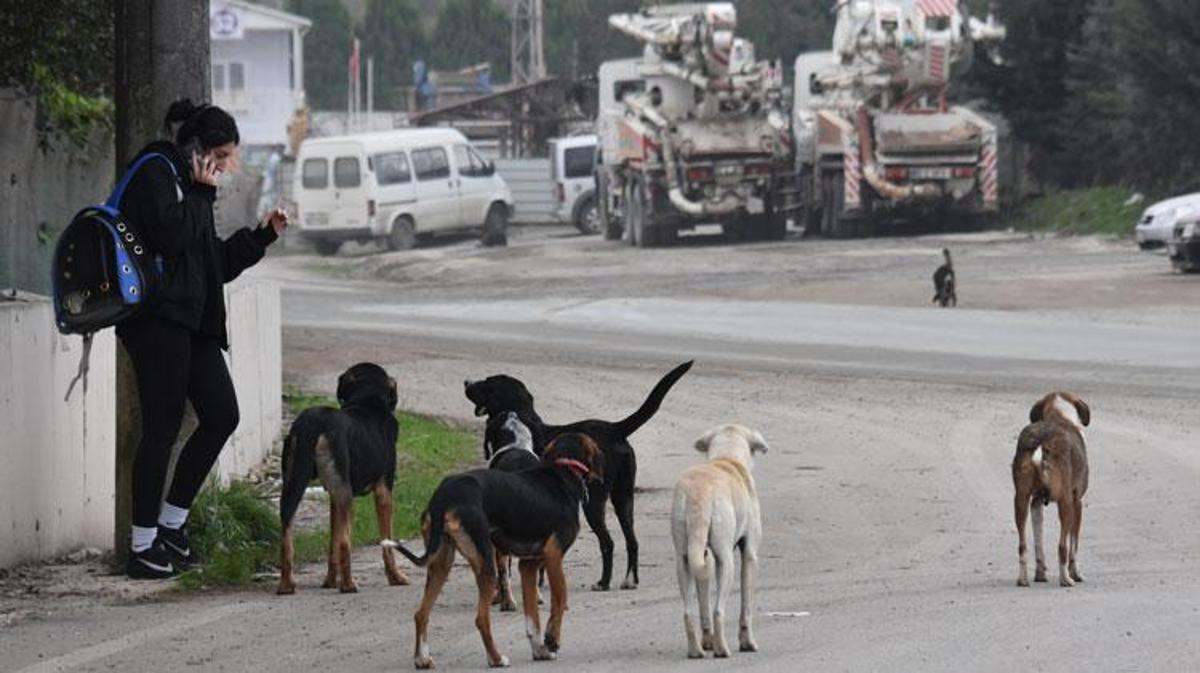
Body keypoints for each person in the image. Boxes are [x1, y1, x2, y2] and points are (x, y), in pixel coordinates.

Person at [116, 99, 288, 579]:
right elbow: (169, 239)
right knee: (161, 428)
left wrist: (262, 237)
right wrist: (199, 194)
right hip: (156, 321)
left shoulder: (190, 189)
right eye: (224, 157)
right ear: (201, 152)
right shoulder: (157, 172)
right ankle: (142, 545)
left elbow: (210, 263)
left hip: (191, 323)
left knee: (221, 415)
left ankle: (173, 526)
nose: (228, 168)